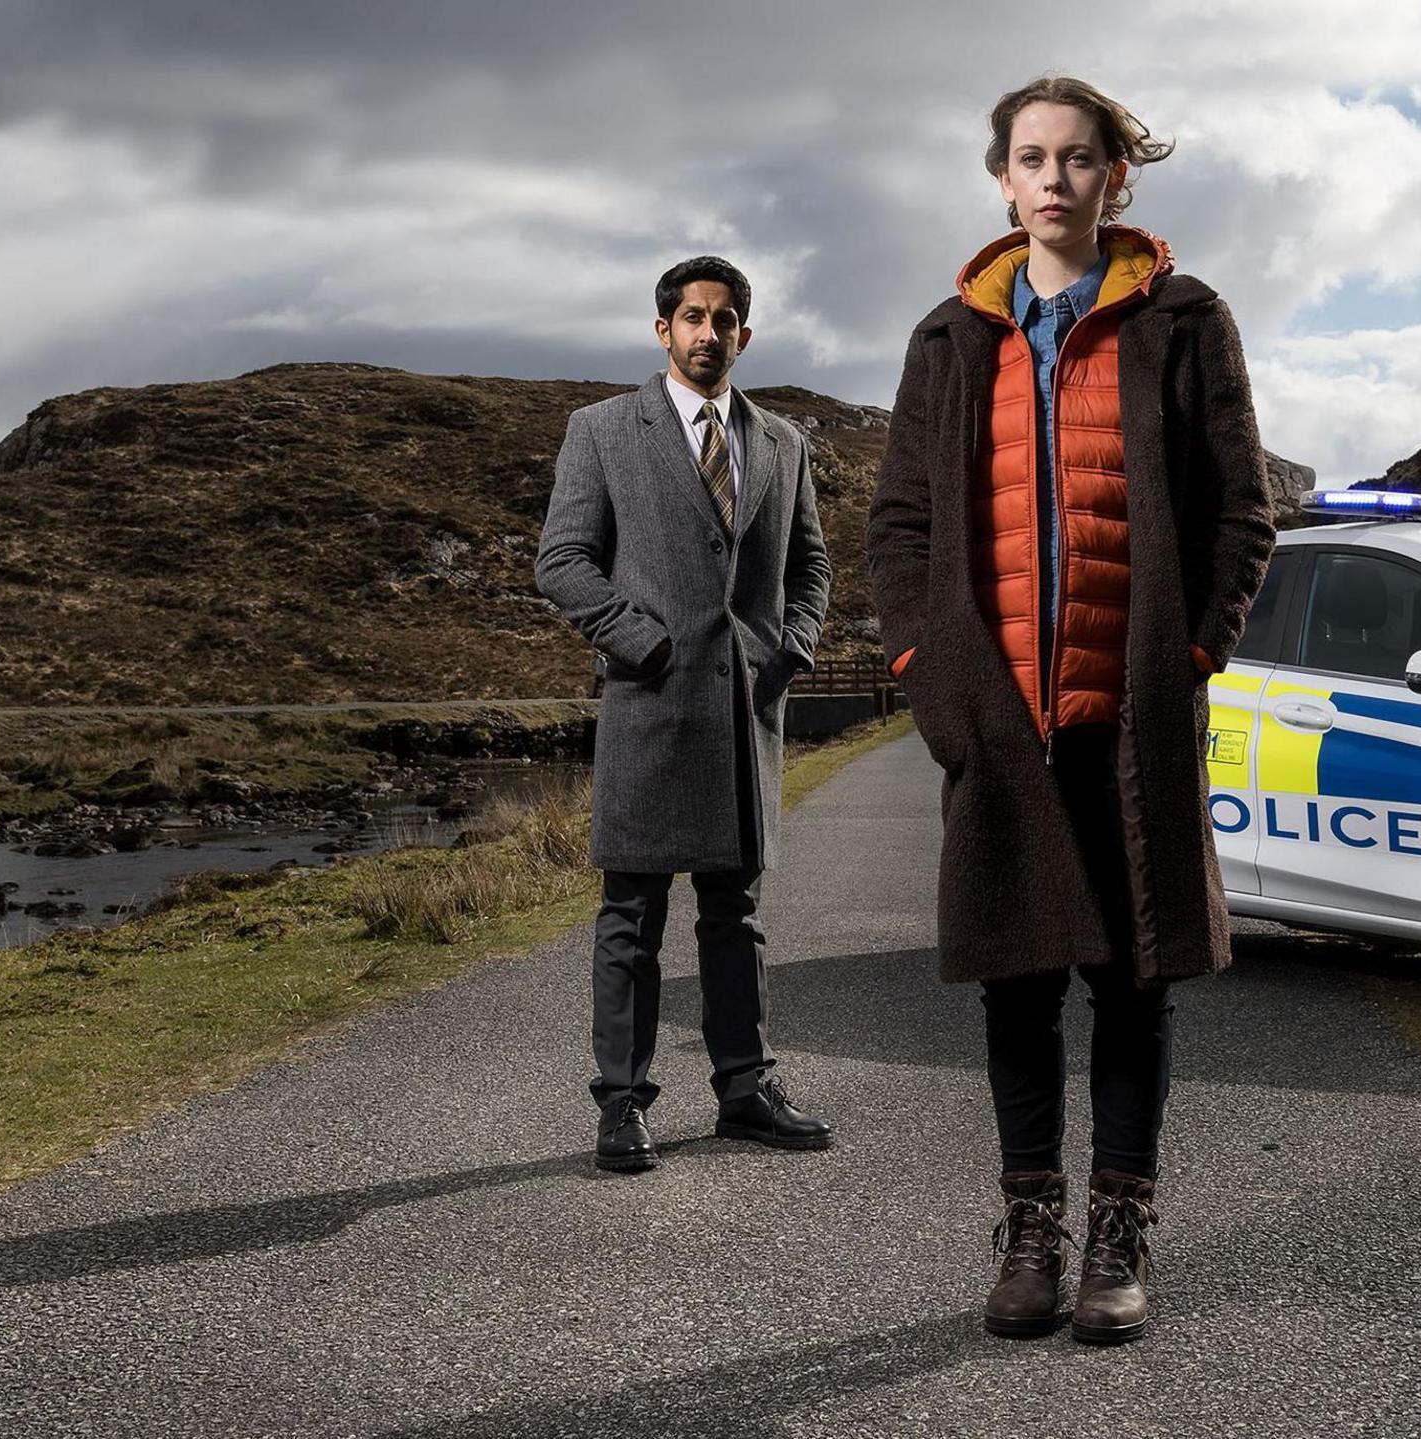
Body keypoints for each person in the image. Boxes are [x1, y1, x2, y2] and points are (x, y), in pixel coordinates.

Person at [865, 76, 1276, 1345]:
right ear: (1001, 179)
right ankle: (1030, 1230)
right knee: (1016, 979)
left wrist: (1195, 651)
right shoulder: (947, 339)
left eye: (1079, 158)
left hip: (1127, 712)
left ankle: (1118, 1231)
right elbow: (899, 527)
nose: (1054, 179)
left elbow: (1239, 511)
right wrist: (929, 674)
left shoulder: (1184, 319)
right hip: (998, 720)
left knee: (1133, 980)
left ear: (1115, 177)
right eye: (1032, 158)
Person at [536, 255, 834, 1174]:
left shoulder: (782, 441)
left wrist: (793, 647)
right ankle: (621, 1103)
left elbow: (811, 564)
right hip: (649, 706)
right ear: (663, 329)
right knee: (630, 915)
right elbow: (563, 561)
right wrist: (648, 641)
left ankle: (745, 1088)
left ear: (745, 333)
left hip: (746, 716)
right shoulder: (600, 432)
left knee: (734, 914)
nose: (710, 332)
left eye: (726, 318)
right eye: (693, 317)